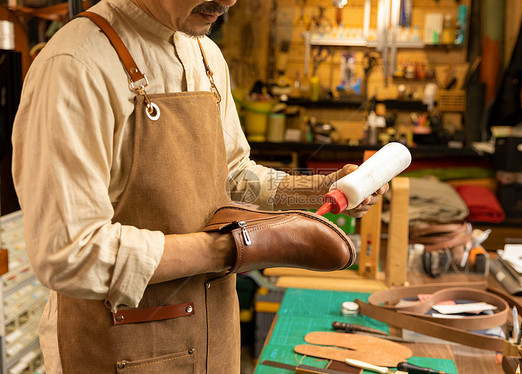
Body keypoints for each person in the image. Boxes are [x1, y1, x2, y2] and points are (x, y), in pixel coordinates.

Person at [11, 0, 388, 372]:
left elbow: (235, 175)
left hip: (213, 341)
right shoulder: (77, 64)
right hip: (122, 351)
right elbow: (68, 254)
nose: (227, 1)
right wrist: (225, 249)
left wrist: (319, 189)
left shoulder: (204, 53)